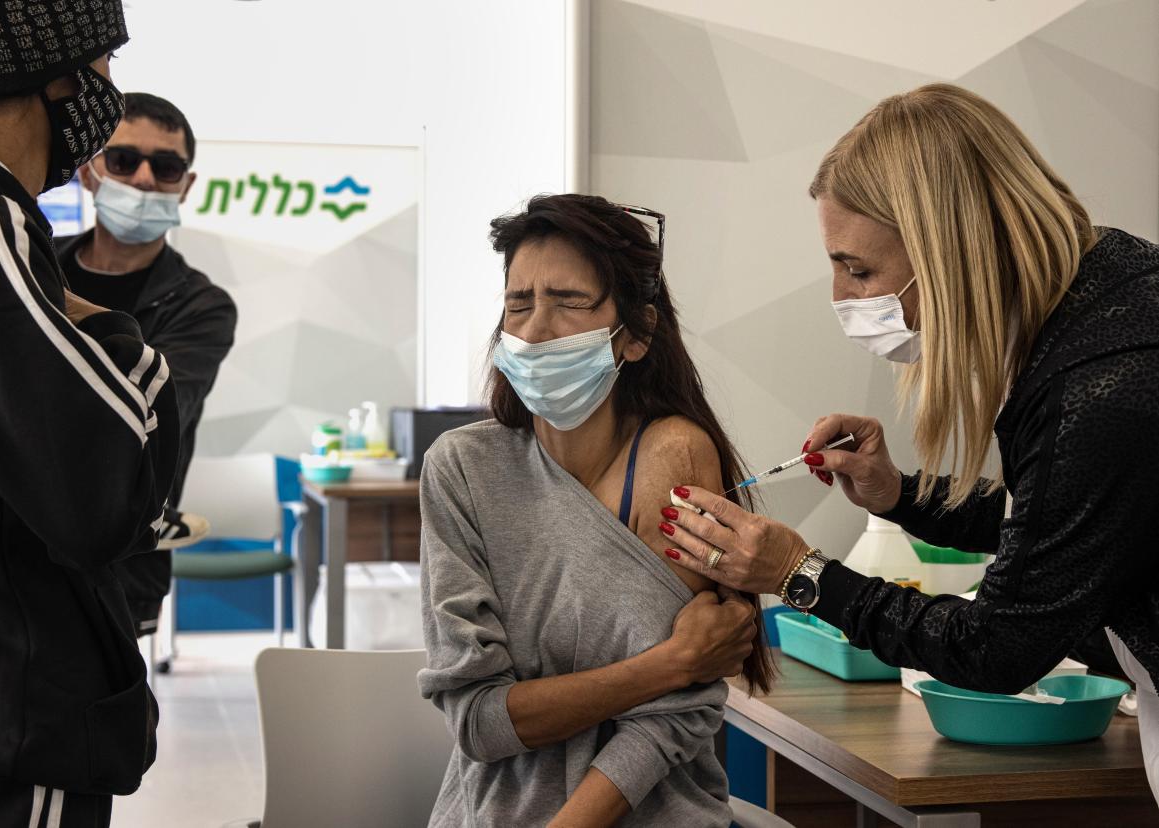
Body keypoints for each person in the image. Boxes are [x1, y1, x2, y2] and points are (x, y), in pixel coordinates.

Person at [660, 84, 1159, 799]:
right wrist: (901, 497)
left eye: (857, 268)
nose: (841, 296)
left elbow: (996, 650)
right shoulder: (1106, 287)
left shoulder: (1102, 382)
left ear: (949, 245)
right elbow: (1073, 526)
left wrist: (801, 574)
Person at [418, 194, 770, 827]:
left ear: (636, 335)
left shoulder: (673, 456)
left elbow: (675, 715)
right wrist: (670, 663)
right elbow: (479, 722)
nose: (532, 328)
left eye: (568, 302)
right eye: (518, 303)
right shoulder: (463, 468)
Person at [0, 3, 180, 826]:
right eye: (104, 66)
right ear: (61, 74)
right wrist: (107, 326)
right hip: (7, 709)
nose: (109, 89)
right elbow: (102, 490)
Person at [59, 92, 237, 637]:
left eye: (165, 167)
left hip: (124, 561)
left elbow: (148, 416)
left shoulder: (202, 306)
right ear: (89, 172)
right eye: (122, 160)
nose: (141, 179)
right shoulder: (30, 258)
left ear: (185, 185)